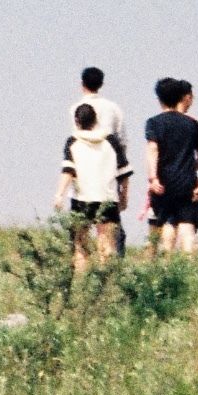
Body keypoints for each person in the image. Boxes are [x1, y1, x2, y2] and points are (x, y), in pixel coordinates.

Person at [54, 102, 131, 274]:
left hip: (82, 199)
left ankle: (82, 286)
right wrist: (124, 197)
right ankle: (105, 285)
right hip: (107, 198)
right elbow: (124, 174)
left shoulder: (73, 142)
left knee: (80, 246)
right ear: (96, 120)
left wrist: (60, 194)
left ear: (76, 121)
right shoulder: (111, 141)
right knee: (107, 246)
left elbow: (68, 171)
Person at [144, 77, 198, 254]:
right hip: (187, 183)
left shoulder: (154, 123)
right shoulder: (192, 124)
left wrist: (153, 177)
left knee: (167, 223)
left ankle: (167, 265)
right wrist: (191, 168)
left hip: (163, 183)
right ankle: (190, 266)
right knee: (187, 227)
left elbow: (152, 149)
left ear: (159, 99)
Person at [72, 66, 127, 255]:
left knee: (81, 238)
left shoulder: (74, 108)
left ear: (82, 84)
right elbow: (122, 144)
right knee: (109, 236)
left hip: (84, 178)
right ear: (101, 84)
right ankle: (109, 275)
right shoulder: (113, 109)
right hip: (108, 176)